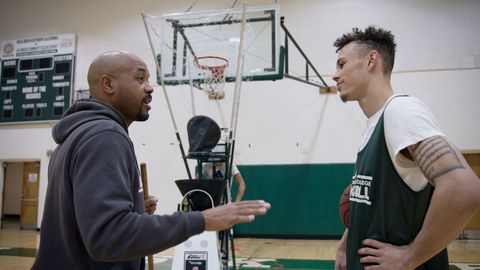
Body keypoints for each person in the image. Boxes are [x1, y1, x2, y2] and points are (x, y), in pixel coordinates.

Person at [31, 51, 270, 270]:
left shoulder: (75, 137)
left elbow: (81, 220)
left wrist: (133, 208)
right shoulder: (105, 136)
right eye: (140, 79)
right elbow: (107, 237)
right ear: (108, 84)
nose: (150, 88)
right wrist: (202, 220)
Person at [332, 26, 480, 270]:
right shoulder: (377, 122)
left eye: (341, 64)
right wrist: (345, 245)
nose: (334, 74)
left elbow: (464, 190)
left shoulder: (400, 112)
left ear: (371, 60)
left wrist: (407, 258)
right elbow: (368, 198)